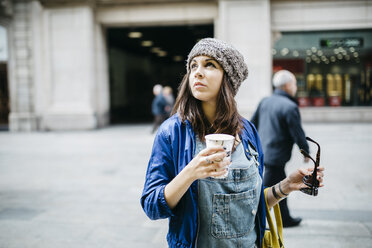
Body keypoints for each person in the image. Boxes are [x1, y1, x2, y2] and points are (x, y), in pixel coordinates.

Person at [141, 38, 324, 248]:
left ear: (228, 78)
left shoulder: (247, 131)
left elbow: (247, 207)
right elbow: (152, 205)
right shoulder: (172, 132)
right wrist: (191, 171)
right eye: (193, 66)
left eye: (210, 64)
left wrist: (286, 186)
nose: (198, 72)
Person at [251, 69, 310, 227]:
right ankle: (253, 217)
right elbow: (298, 133)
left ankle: (285, 218)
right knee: (268, 189)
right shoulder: (290, 106)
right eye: (295, 84)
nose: (295, 87)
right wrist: (305, 152)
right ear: (288, 85)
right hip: (276, 155)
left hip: (264, 151)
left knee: (281, 185)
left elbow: (252, 124)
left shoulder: (265, 101)